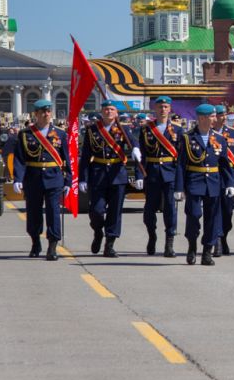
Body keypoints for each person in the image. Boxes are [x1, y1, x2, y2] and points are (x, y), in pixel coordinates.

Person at [79, 100, 142, 258]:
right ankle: (98, 231)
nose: (108, 112)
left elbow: (133, 140)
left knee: (115, 212)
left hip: (117, 174)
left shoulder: (123, 128)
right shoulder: (93, 130)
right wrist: (83, 178)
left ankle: (110, 244)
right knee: (96, 210)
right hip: (98, 173)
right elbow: (86, 155)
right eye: (106, 109)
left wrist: (135, 148)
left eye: (112, 109)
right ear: (102, 111)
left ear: (116, 113)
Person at [12, 99, 71, 261]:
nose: (46, 115)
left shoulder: (60, 133)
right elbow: (19, 158)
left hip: (54, 178)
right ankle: (35, 241)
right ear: (36, 114)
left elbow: (67, 159)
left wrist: (68, 181)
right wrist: (18, 178)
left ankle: (52, 246)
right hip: (33, 178)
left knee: (53, 212)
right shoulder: (25, 134)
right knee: (33, 213)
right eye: (43, 112)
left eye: (48, 112)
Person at [177, 104, 234, 266]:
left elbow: (225, 164)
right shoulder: (188, 138)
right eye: (211, 116)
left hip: (214, 184)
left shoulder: (219, 139)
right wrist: (179, 188)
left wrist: (230, 183)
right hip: (194, 182)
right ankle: (192, 247)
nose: (214, 119)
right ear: (202, 118)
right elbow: (181, 164)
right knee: (194, 215)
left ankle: (207, 252)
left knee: (212, 219)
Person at [138, 96, 184, 257]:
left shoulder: (178, 130)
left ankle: (169, 243)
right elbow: (141, 155)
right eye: (159, 107)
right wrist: (139, 175)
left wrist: (180, 185)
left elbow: (181, 159)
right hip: (152, 173)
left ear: (170, 109)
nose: (162, 109)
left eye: (165, 107)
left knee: (170, 209)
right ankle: (152, 235)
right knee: (149, 210)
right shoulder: (146, 129)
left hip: (170, 173)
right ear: (155, 109)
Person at [212, 104, 234, 256]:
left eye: (224, 114)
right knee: (214, 211)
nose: (223, 117)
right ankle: (217, 241)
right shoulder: (209, 133)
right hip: (212, 176)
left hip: (229, 177)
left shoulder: (233, 133)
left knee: (227, 211)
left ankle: (223, 236)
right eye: (220, 115)